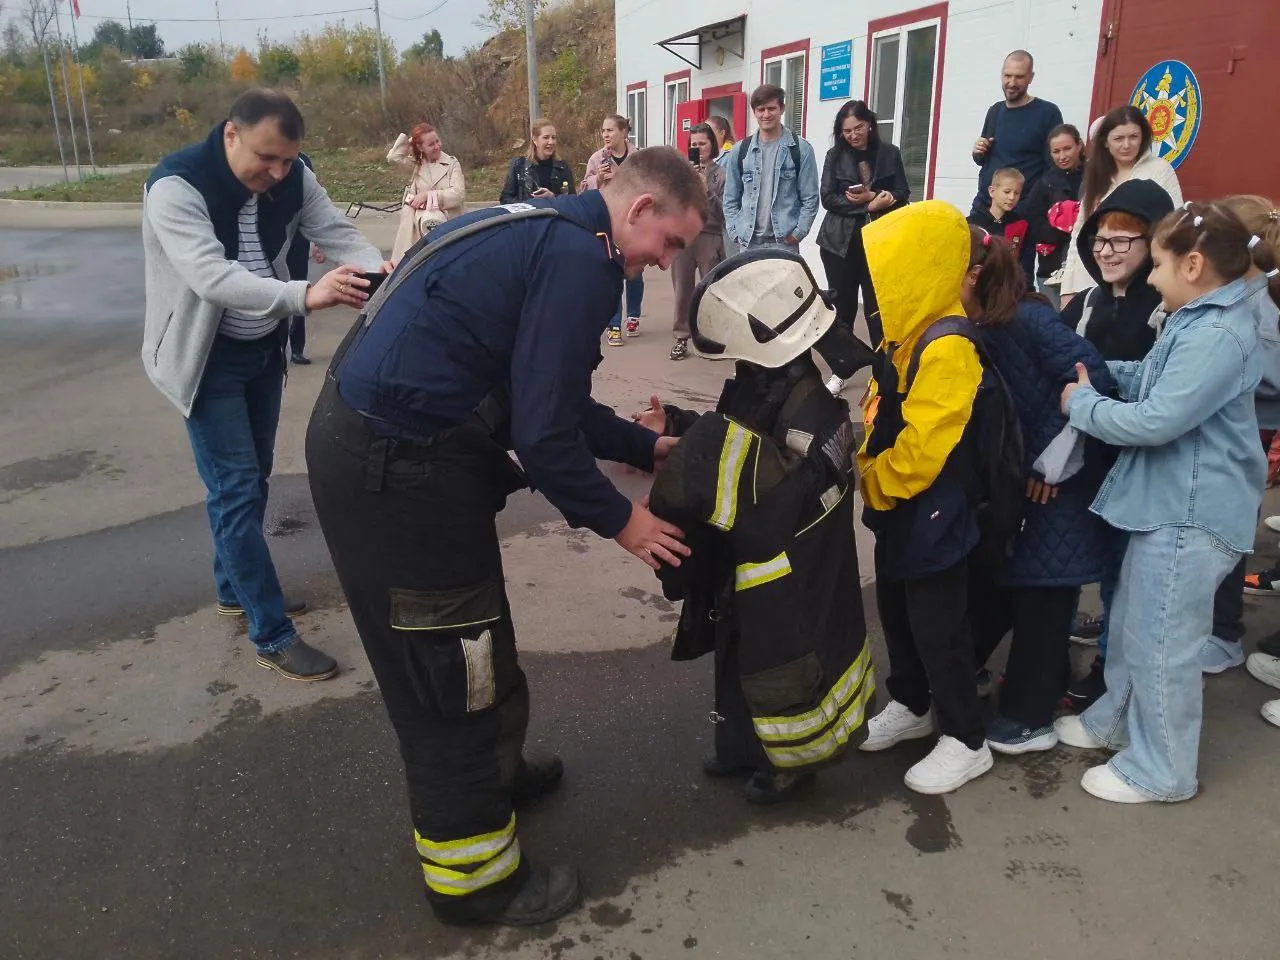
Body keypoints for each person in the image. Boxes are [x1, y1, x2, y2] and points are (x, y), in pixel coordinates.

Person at [304, 147, 708, 926]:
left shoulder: (555, 230)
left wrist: (640, 445)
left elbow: (546, 396)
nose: (664, 265)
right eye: (670, 244)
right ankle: (475, 880)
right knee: (448, 670)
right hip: (395, 472)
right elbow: (546, 438)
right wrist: (629, 524)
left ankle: (498, 773)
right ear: (639, 213)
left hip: (405, 453)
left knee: (477, 630)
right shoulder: (579, 263)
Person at [141, 88, 388, 681]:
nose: (277, 174)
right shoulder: (175, 187)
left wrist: (383, 273)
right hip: (207, 360)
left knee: (250, 480)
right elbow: (211, 276)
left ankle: (236, 590)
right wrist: (306, 295)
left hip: (260, 350)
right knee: (236, 490)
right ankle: (270, 631)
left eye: (288, 161)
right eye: (266, 159)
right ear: (231, 134)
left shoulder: (292, 177)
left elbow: (337, 232)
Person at [1055, 202, 1268, 803]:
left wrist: (1081, 405)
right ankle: (1116, 721)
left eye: (1161, 263)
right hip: (1172, 500)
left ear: (1194, 265)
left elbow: (1159, 418)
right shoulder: (1196, 316)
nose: (1150, 275)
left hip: (1191, 512)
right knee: (1131, 626)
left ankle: (1162, 769)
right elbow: (1155, 378)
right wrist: (1105, 372)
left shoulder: (1218, 332)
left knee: (1163, 644)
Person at [642, 249, 874, 804]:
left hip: (789, 572)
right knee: (743, 655)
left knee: (784, 662)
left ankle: (792, 761)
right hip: (769, 566)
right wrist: (675, 423)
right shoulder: (775, 378)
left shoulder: (811, 407)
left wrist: (692, 455)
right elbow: (743, 430)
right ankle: (744, 747)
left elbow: (761, 486)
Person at [853, 200, 994, 796]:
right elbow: (878, 406)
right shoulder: (904, 335)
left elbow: (927, 445)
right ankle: (912, 702)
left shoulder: (948, 344)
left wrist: (873, 480)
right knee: (897, 610)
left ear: (924, 268)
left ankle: (966, 738)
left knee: (940, 627)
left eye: (894, 269)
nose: (882, 283)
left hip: (936, 510)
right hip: (901, 511)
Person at [961, 228, 1114, 754]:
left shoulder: (1029, 318)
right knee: (1008, 587)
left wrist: (1051, 464)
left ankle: (1031, 716)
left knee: (1044, 600)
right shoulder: (984, 322)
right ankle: (995, 682)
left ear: (975, 276)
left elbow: (1089, 376)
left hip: (1052, 486)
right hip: (1017, 482)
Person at [1057, 178, 1175, 711]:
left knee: (1126, 577)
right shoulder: (1084, 304)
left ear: (1154, 244)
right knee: (1085, 560)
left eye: (1123, 240)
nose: (1107, 250)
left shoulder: (1170, 313)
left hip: (1140, 466)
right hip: (1084, 460)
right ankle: (1056, 656)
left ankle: (1110, 668)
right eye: (1100, 240)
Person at [1207, 197, 1280, 676]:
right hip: (1247, 425)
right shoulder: (1253, 294)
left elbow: (1267, 375)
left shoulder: (1257, 306)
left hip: (1248, 426)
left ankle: (1223, 633)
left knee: (1227, 530)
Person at [1059, 106, 1183, 305]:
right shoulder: (1097, 175)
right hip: (1091, 276)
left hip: (1139, 280)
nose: (1127, 145)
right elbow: (1079, 232)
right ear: (1105, 142)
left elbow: (1174, 227)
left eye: (1133, 136)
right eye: (1118, 139)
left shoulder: (1159, 171)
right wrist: (1068, 289)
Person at [816, 99, 909, 351]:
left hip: (880, 243)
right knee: (842, 308)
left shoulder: (890, 153)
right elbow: (827, 198)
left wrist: (882, 196)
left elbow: (903, 190)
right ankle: (842, 369)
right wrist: (866, 206)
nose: (853, 135)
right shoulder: (834, 155)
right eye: (846, 131)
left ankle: (883, 370)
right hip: (840, 244)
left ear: (869, 124)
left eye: (858, 128)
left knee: (877, 308)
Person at [722, 83, 820, 255]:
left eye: (771, 108)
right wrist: (735, 231)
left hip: (784, 244)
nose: (766, 114)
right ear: (754, 112)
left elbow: (810, 198)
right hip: (748, 243)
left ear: (781, 109)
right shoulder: (740, 151)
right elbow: (730, 198)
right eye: (760, 109)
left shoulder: (800, 149)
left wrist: (798, 233)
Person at [970, 51, 1063, 225]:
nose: (1012, 83)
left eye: (1019, 77)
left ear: (1031, 77)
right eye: (1007, 76)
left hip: (1020, 215)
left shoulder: (1047, 113)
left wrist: (1030, 207)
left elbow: (1053, 170)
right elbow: (983, 159)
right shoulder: (995, 111)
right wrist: (978, 152)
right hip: (984, 208)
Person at [583, 114, 645, 345]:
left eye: (610, 130)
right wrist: (597, 178)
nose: (606, 135)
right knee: (613, 273)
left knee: (635, 273)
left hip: (635, 222)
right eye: (603, 131)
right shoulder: (597, 158)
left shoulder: (638, 157)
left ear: (623, 132)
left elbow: (648, 186)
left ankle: (633, 316)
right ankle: (614, 323)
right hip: (608, 221)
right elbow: (584, 189)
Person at [668, 123, 726, 361]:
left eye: (702, 143)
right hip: (683, 237)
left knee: (710, 290)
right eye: (694, 144)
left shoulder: (720, 173)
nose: (698, 148)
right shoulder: (681, 172)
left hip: (710, 235)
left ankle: (710, 337)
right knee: (683, 289)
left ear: (712, 144)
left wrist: (706, 189)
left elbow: (725, 212)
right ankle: (682, 337)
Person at [1024, 123, 1085, 309]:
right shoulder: (1045, 184)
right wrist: (1063, 227)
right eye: (1056, 151)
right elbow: (1033, 224)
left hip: (1086, 269)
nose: (1062, 156)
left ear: (1080, 145)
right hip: (1051, 270)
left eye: (1067, 148)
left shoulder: (1097, 176)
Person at [387, 122, 466, 262]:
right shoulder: (416, 164)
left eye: (437, 141)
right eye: (431, 144)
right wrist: (412, 141)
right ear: (420, 147)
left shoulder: (452, 163)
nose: (437, 146)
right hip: (416, 232)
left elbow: (458, 195)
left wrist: (427, 196)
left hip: (447, 227)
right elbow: (394, 157)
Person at [500, 117, 575, 204]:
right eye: (546, 137)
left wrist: (552, 197)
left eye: (553, 138)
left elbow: (573, 201)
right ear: (535, 139)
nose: (551, 142)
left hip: (555, 216)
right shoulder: (519, 165)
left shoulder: (562, 167)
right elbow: (505, 199)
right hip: (528, 216)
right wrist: (529, 205)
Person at [967, 167, 1029, 257]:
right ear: (992, 191)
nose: (1012, 197)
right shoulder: (972, 223)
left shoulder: (1020, 224)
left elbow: (1024, 259)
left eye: (1016, 193)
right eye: (1007, 192)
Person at [287, 240, 326, 365]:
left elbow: (313, 222)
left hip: (297, 243)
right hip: (271, 241)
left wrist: (317, 243)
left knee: (300, 292)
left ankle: (296, 349)